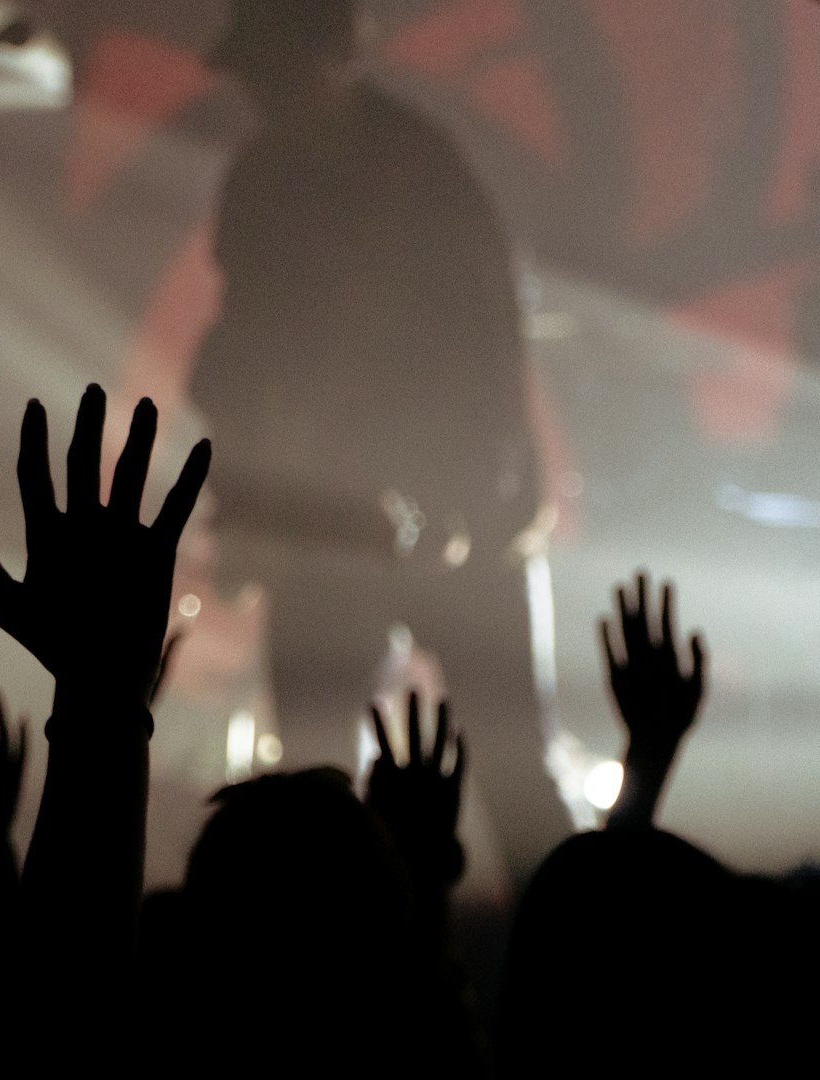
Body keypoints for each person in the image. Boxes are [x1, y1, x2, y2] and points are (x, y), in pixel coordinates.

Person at [190, 0, 567, 882]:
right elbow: (241, 355)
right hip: (347, 518)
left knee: (505, 771)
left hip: (438, 505)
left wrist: (481, 495)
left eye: (275, 70)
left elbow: (483, 346)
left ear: (332, 59)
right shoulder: (268, 182)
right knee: (317, 787)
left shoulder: (413, 170)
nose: (263, 94)